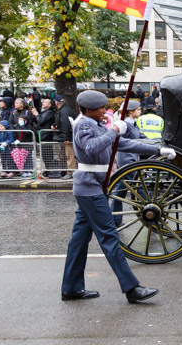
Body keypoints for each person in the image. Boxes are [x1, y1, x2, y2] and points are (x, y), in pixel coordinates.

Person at [61, 90, 169, 304]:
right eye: (101, 108)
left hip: (93, 186)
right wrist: (114, 131)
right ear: (89, 109)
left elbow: (124, 144)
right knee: (109, 237)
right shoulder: (84, 125)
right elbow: (92, 148)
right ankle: (131, 288)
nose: (104, 111)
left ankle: (71, 287)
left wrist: (157, 149)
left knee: (79, 241)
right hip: (90, 187)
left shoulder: (95, 124)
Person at [54, 95, 76, 172]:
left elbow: (65, 124)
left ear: (56, 102)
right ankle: (67, 171)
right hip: (66, 135)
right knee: (66, 155)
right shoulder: (64, 110)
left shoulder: (64, 111)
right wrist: (55, 125)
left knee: (69, 155)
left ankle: (70, 171)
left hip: (67, 137)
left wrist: (65, 138)